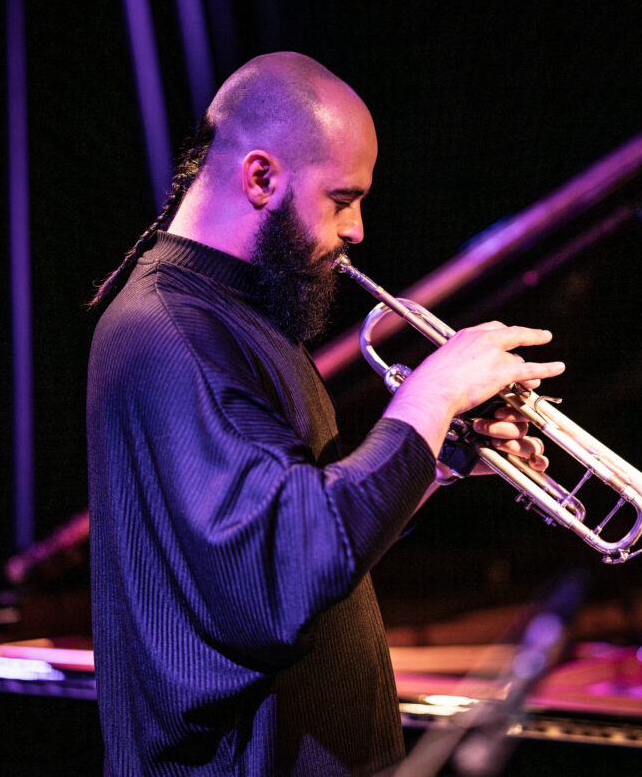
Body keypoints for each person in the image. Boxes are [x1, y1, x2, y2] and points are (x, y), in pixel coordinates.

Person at [86, 51, 565, 776]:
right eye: (342, 200)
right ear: (261, 177)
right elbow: (281, 564)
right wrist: (431, 395)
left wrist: (435, 459)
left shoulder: (240, 314)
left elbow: (310, 525)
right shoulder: (172, 328)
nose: (359, 229)